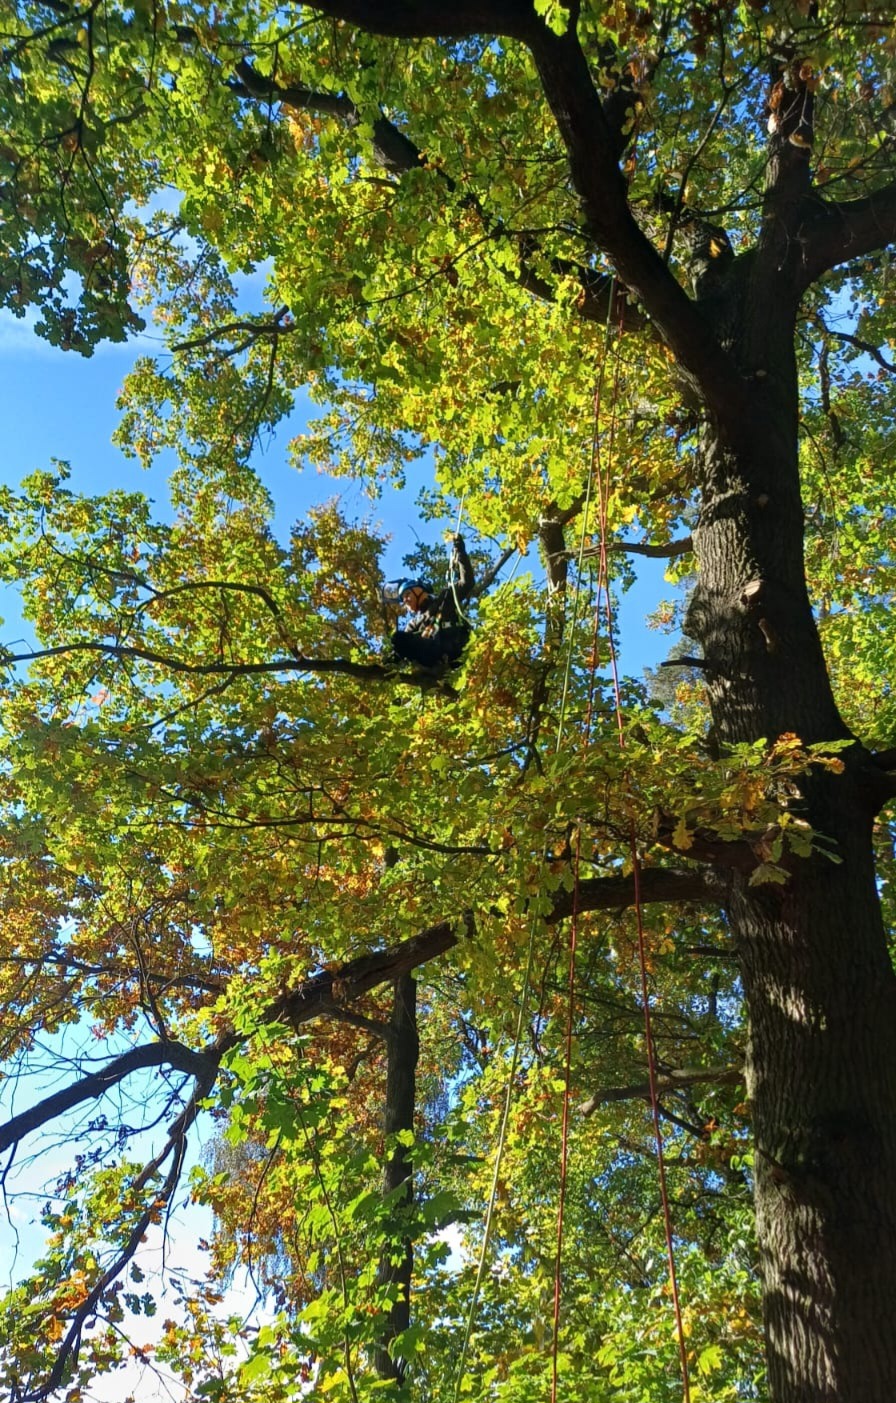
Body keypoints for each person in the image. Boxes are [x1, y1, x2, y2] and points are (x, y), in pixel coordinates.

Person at [389, 534, 475, 668]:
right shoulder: (414, 624)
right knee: (398, 639)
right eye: (403, 600)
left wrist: (461, 554)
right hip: (429, 655)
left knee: (402, 639)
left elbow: (467, 582)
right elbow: (403, 647)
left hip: (452, 649)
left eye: (407, 594)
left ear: (418, 590)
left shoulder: (445, 598)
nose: (405, 600)